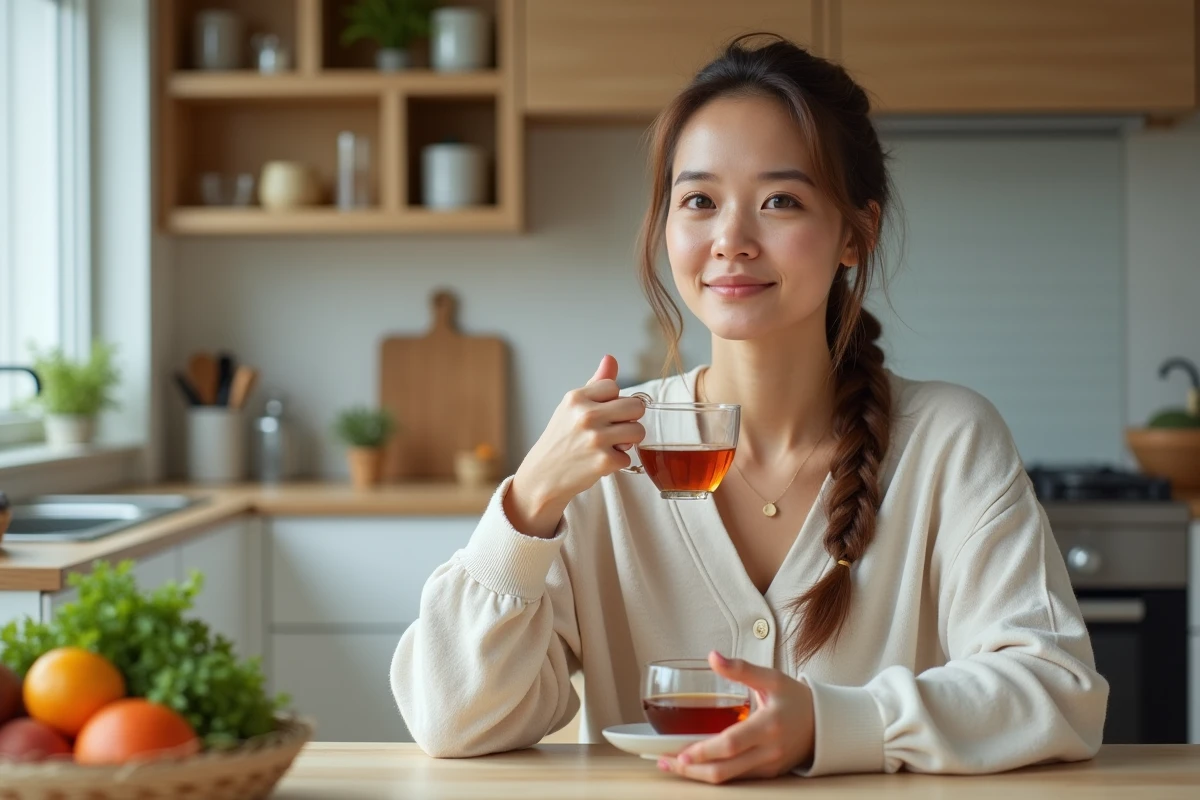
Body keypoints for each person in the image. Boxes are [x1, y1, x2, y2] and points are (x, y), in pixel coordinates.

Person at [391, 34, 1107, 784]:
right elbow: (451, 720)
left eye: (780, 202)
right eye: (699, 200)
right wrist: (527, 505)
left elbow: (1057, 690)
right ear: (666, 225)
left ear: (855, 234)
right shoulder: (604, 455)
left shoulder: (951, 441)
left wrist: (833, 726)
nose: (731, 240)